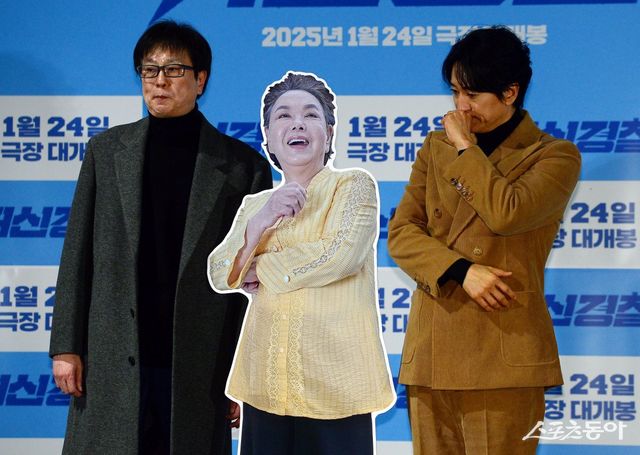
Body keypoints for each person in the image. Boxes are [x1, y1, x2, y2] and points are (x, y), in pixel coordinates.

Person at [49, 20, 272, 455]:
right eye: (149, 70)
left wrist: (244, 372)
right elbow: (77, 254)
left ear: (200, 79)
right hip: (112, 352)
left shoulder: (242, 167)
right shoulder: (106, 152)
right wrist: (66, 347)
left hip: (199, 360)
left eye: (173, 70)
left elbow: (251, 285)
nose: (159, 81)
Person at [388, 26, 581, 454]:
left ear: (510, 92)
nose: (461, 106)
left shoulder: (554, 155)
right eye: (456, 92)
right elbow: (401, 233)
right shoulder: (435, 148)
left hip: (503, 351)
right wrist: (461, 270)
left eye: (473, 95)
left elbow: (507, 212)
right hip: (433, 348)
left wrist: (464, 147)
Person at [207, 71, 395, 455]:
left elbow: (339, 256)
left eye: (310, 115)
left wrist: (258, 267)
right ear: (268, 137)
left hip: (336, 389)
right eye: (284, 116)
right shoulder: (255, 205)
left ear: (329, 133)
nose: (297, 124)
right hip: (266, 387)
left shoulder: (352, 186)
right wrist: (259, 223)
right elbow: (219, 272)